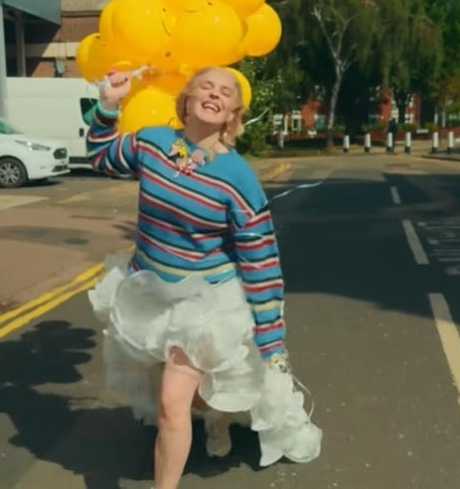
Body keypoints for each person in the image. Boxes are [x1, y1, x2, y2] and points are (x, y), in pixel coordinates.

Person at [86, 66, 321, 489]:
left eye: (226, 93)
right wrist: (108, 105)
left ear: (232, 114)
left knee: (170, 403)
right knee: (185, 396)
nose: (215, 95)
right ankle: (214, 414)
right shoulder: (153, 143)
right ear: (188, 100)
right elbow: (101, 157)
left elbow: (261, 262)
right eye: (206, 87)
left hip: (205, 304)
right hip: (151, 293)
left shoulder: (239, 179)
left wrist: (272, 341)